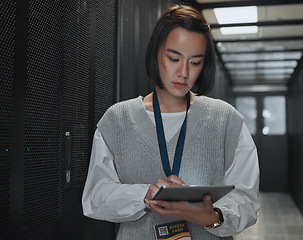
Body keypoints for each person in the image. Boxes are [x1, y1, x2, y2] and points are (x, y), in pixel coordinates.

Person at [82, 4, 260, 240]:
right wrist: (145, 195)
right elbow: (95, 197)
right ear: (156, 53)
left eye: (195, 62)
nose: (184, 72)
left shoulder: (226, 120)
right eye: (174, 58)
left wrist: (211, 216)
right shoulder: (117, 120)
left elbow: (247, 198)